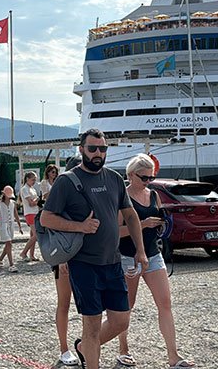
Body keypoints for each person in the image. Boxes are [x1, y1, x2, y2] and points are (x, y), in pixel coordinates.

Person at [41, 129, 148, 369]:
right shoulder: (66, 181)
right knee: (91, 324)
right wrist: (79, 226)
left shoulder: (114, 179)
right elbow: (46, 219)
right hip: (84, 264)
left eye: (103, 149)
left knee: (121, 320)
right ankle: (90, 356)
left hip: (112, 261)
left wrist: (140, 250)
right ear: (81, 150)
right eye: (93, 148)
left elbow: (130, 215)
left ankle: (84, 348)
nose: (98, 153)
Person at [116, 154, 194, 368]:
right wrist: (142, 224)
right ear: (131, 175)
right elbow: (116, 231)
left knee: (165, 303)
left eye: (151, 177)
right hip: (128, 257)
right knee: (126, 306)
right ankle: (123, 349)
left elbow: (158, 222)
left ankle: (173, 355)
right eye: (144, 178)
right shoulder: (123, 197)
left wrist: (160, 225)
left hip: (152, 254)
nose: (148, 181)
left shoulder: (154, 195)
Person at [54, 156, 81, 367]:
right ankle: (64, 348)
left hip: (88, 254)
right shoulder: (61, 192)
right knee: (64, 302)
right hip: (66, 256)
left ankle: (88, 343)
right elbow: (53, 226)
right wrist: (63, 259)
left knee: (90, 304)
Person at [18, 171, 40, 262]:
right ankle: (24, 252)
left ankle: (32, 255)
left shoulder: (32, 189)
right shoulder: (25, 189)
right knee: (36, 235)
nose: (34, 181)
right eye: (32, 180)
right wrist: (37, 199)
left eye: (35, 180)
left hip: (34, 212)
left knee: (32, 235)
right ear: (27, 179)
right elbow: (31, 203)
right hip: (30, 213)